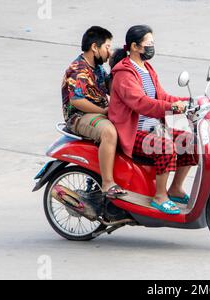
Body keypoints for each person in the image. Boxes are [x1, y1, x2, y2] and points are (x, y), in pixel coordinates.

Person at [109, 25, 198, 215]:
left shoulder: (147, 68)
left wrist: (189, 101)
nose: (152, 47)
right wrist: (172, 107)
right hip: (133, 133)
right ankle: (160, 197)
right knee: (165, 147)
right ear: (135, 46)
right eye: (148, 43)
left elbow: (162, 96)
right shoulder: (124, 73)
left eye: (153, 43)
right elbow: (141, 103)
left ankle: (175, 189)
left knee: (190, 141)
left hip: (153, 129)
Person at [61, 26, 127, 199]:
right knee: (109, 132)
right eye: (107, 47)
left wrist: (119, 67)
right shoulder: (79, 69)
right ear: (94, 47)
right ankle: (107, 183)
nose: (109, 52)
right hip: (79, 117)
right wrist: (103, 111)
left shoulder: (97, 68)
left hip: (98, 114)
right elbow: (77, 100)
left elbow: (112, 89)